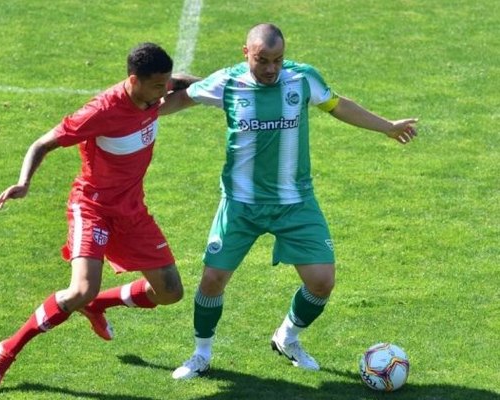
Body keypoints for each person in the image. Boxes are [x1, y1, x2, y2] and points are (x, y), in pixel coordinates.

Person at [159, 23, 418, 380]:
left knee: (322, 282)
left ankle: (287, 337)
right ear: (245, 53)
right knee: (212, 279)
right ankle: (201, 354)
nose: (270, 68)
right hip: (241, 204)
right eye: (262, 60)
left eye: (277, 60)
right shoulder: (227, 82)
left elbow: (339, 105)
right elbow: (181, 98)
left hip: (295, 202)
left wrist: (386, 126)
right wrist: (128, 111)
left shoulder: (302, 79)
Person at [0, 42, 198, 388]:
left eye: (166, 83)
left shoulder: (153, 92)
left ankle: (95, 304)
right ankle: (7, 349)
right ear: (134, 80)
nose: (164, 91)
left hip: (132, 210)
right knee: (80, 288)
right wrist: (23, 182)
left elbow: (183, 85)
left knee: (171, 291)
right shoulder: (100, 111)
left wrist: (224, 83)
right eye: (158, 86)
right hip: (92, 207)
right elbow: (43, 143)